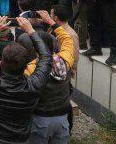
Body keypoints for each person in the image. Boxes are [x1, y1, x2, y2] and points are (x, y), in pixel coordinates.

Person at [0, 16, 52, 144]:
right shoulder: (34, 84)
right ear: (26, 66)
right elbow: (46, 56)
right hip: (19, 140)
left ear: (1, 64)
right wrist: (31, 31)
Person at [26, 9, 75, 144]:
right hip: (62, 117)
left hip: (40, 118)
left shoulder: (31, 68)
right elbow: (67, 39)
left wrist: (30, 30)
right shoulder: (65, 61)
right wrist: (51, 22)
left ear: (34, 48)